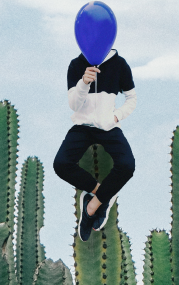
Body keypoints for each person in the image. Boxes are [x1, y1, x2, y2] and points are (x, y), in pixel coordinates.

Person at [53, 48, 136, 242]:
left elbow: (131, 99)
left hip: (109, 125)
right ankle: (104, 195)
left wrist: (116, 116)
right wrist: (83, 83)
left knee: (127, 165)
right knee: (61, 164)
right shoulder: (76, 64)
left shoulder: (120, 63)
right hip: (82, 126)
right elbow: (73, 105)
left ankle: (92, 205)